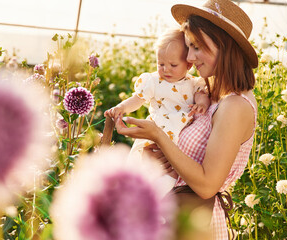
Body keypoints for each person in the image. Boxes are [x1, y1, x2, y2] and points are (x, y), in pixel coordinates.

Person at [114, 0, 258, 239]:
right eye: (189, 47)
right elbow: (184, 156)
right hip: (173, 213)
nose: (190, 57)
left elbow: (206, 185)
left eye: (197, 47)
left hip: (194, 222)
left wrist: (158, 135)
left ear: (224, 46)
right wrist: (153, 156)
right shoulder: (210, 93)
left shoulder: (235, 106)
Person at [105, 28, 211, 192]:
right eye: (160, 64)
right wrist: (121, 108)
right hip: (155, 133)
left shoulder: (193, 83)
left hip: (178, 139)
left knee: (170, 174)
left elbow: (201, 96)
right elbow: (137, 100)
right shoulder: (153, 81)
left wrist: (201, 104)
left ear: (189, 64)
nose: (166, 69)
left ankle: (155, 204)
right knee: (142, 168)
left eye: (173, 65)